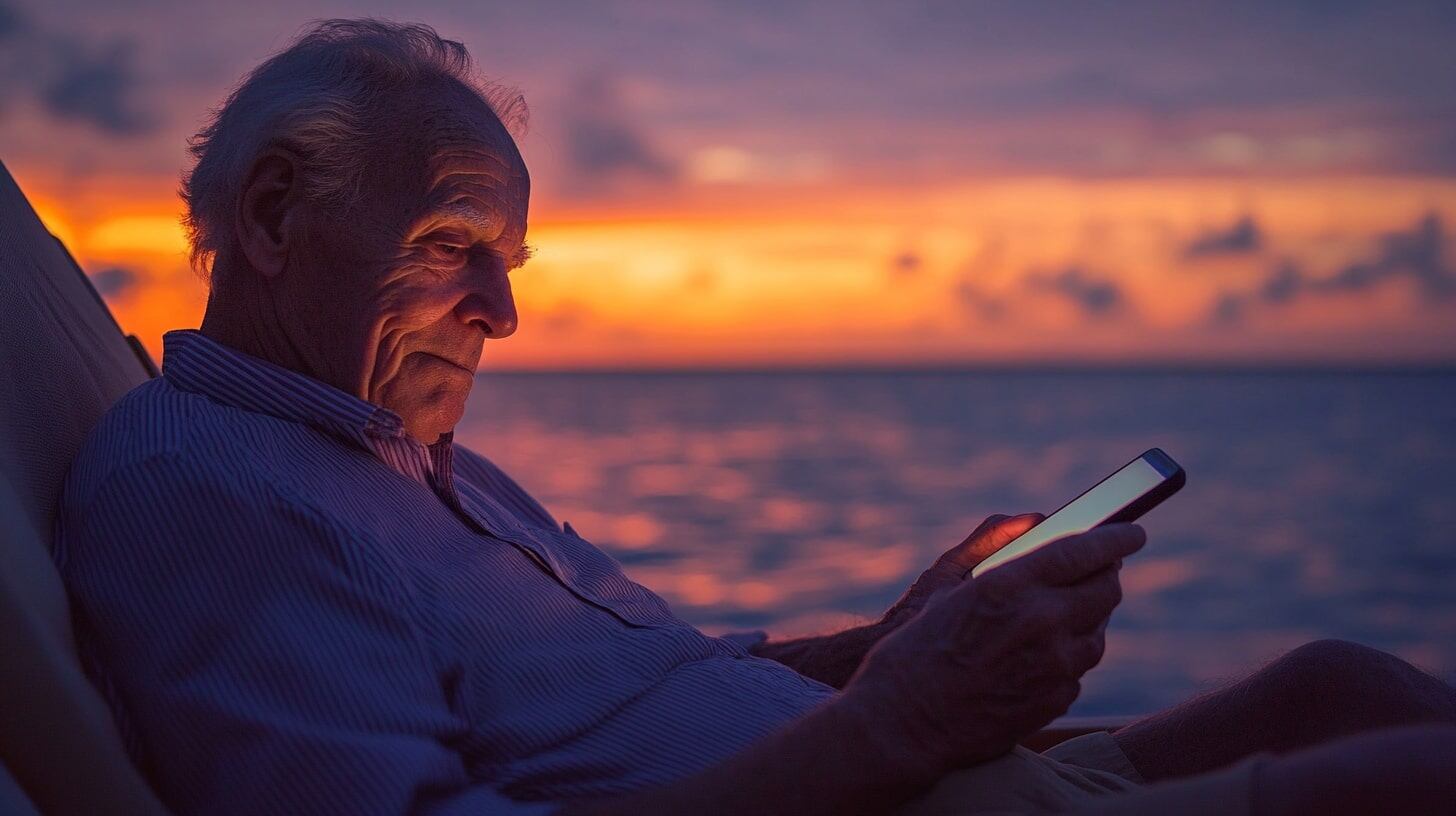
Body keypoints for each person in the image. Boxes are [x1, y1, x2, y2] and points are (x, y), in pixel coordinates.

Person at [53, 19, 1456, 816]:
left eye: (508, 264)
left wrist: (879, 646)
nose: (504, 312)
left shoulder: (405, 461)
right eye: (450, 242)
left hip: (901, 774)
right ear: (280, 215)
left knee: (1345, 682)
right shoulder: (205, 488)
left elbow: (624, 694)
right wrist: (893, 727)